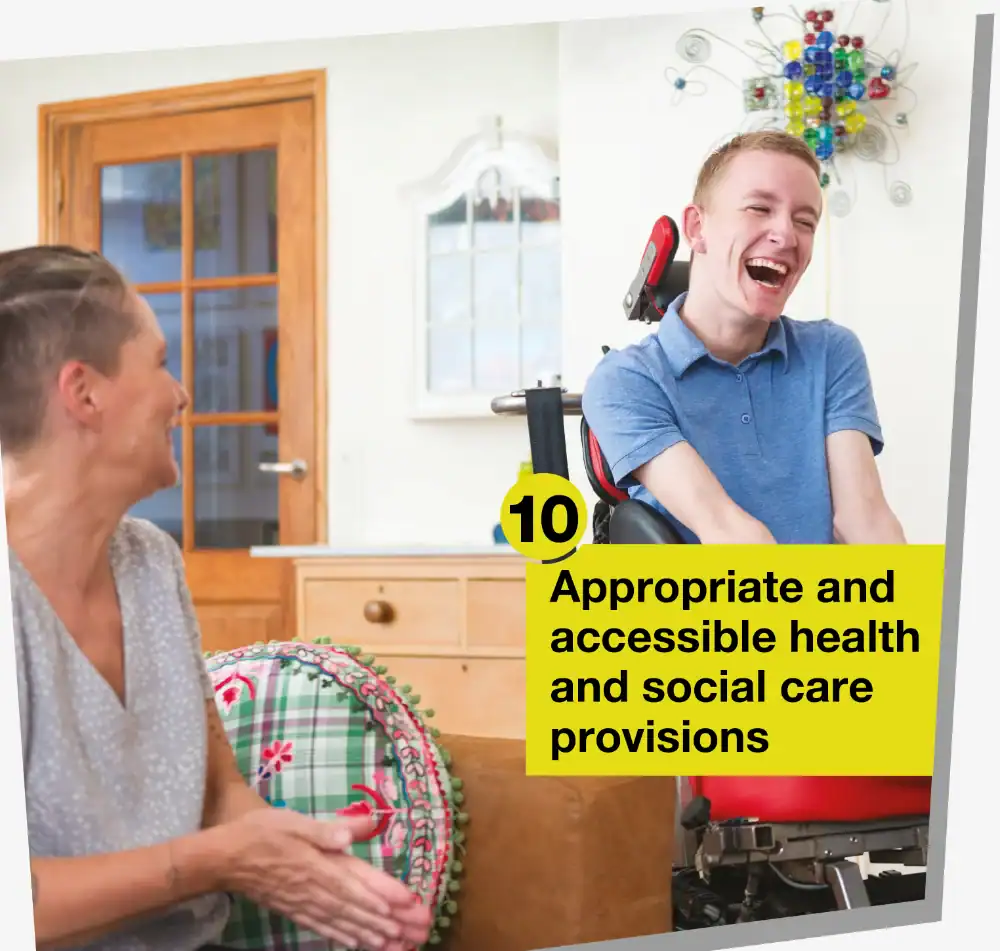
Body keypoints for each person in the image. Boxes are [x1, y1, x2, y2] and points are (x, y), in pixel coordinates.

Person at [1, 245, 434, 951]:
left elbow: (218, 793)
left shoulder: (151, 563)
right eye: (161, 361)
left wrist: (288, 846)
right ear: (84, 392)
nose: (181, 394)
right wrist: (219, 860)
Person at [582, 130, 906, 545]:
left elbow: (866, 521)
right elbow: (733, 536)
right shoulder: (624, 381)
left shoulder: (831, 353)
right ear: (697, 228)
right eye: (759, 208)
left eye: (804, 221)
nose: (787, 235)